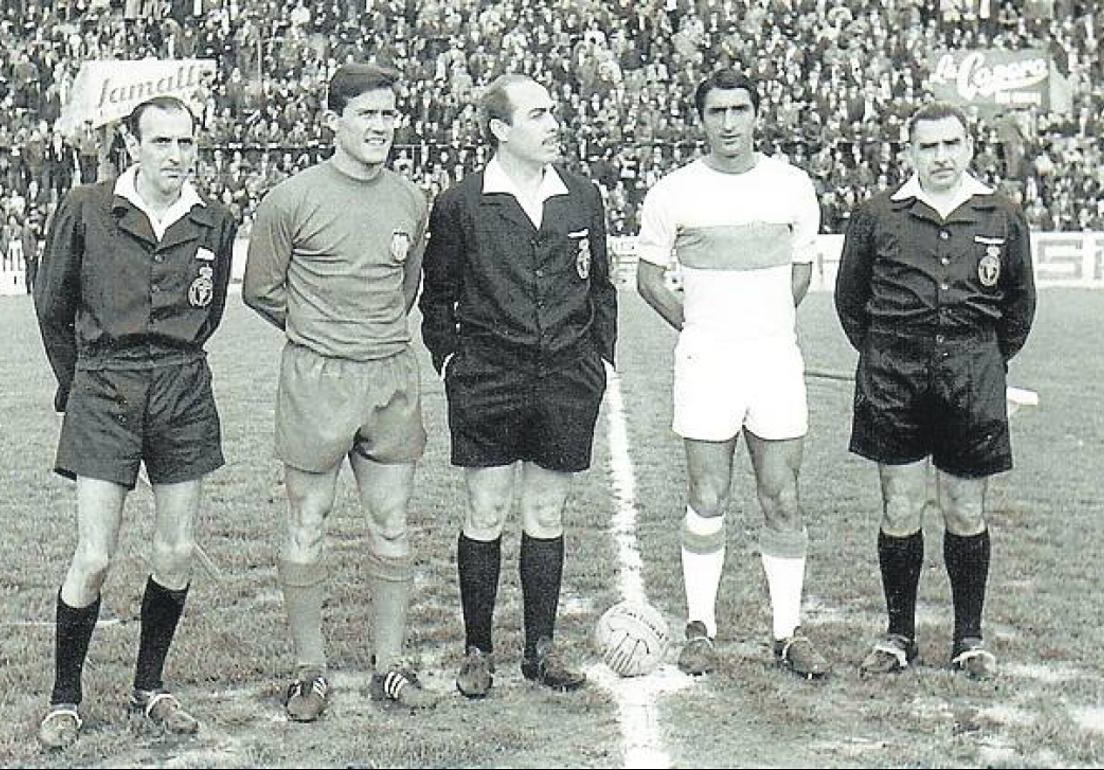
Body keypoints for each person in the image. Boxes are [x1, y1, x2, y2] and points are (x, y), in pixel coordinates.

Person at [32, 95, 237, 749]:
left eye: (186, 143)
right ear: (133, 145)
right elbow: (51, 304)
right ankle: (65, 698)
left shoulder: (214, 220)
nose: (175, 156)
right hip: (104, 389)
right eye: (162, 143)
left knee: (176, 550)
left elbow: (208, 317)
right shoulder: (88, 207)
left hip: (181, 391)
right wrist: (80, 381)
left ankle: (150, 687)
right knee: (94, 557)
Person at [242, 63, 437, 722]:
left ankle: (390, 666)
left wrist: (369, 334)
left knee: (390, 523)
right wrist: (323, 333)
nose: (380, 127)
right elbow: (261, 289)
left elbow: (406, 286)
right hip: (317, 379)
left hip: (389, 376)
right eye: (366, 115)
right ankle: (309, 672)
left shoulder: (411, 199)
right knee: (309, 522)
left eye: (389, 114)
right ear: (334, 122)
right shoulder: (290, 199)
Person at [419, 73, 617, 698]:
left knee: (546, 511)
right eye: (538, 114)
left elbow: (602, 285)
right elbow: (437, 296)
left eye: (553, 110)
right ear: (500, 130)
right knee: (485, 510)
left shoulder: (581, 196)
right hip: (489, 378)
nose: (554, 123)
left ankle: (541, 647)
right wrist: (451, 360)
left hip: (564, 376)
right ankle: (478, 649)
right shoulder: (462, 202)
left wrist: (598, 360)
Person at [635, 68, 830, 679]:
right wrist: (702, 327)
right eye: (716, 111)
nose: (728, 123)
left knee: (783, 497)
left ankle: (787, 631)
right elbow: (646, 279)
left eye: (738, 110)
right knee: (707, 496)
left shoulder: (791, 187)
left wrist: (761, 324)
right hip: (706, 362)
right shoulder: (674, 193)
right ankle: (701, 627)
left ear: (755, 115)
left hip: (773, 360)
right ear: (702, 120)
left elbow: (800, 273)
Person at [834, 102, 1036, 680]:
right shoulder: (878, 215)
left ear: (969, 146)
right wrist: (890, 355)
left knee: (964, 508)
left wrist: (983, 362)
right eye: (929, 146)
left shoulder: (1002, 214)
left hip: (972, 379)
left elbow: (1019, 307)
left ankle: (968, 637)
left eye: (952, 144)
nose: (942, 157)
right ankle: (899, 634)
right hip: (893, 379)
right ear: (911, 152)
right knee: (900, 507)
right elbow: (851, 304)